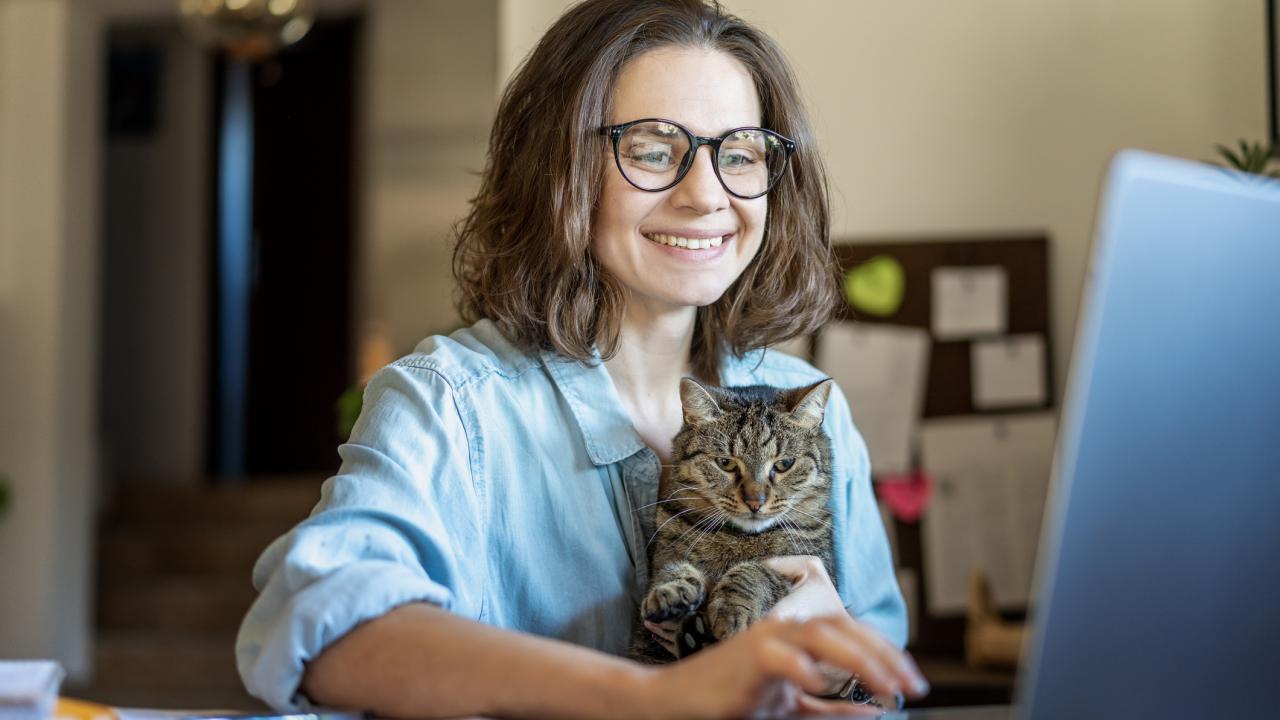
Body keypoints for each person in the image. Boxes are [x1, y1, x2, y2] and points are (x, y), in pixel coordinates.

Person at [236, 0, 929, 716]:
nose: (706, 194)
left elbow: (883, 679)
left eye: (742, 152)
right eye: (653, 150)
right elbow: (320, 628)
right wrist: (659, 697)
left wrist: (839, 687)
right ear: (558, 167)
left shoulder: (813, 406)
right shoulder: (450, 400)